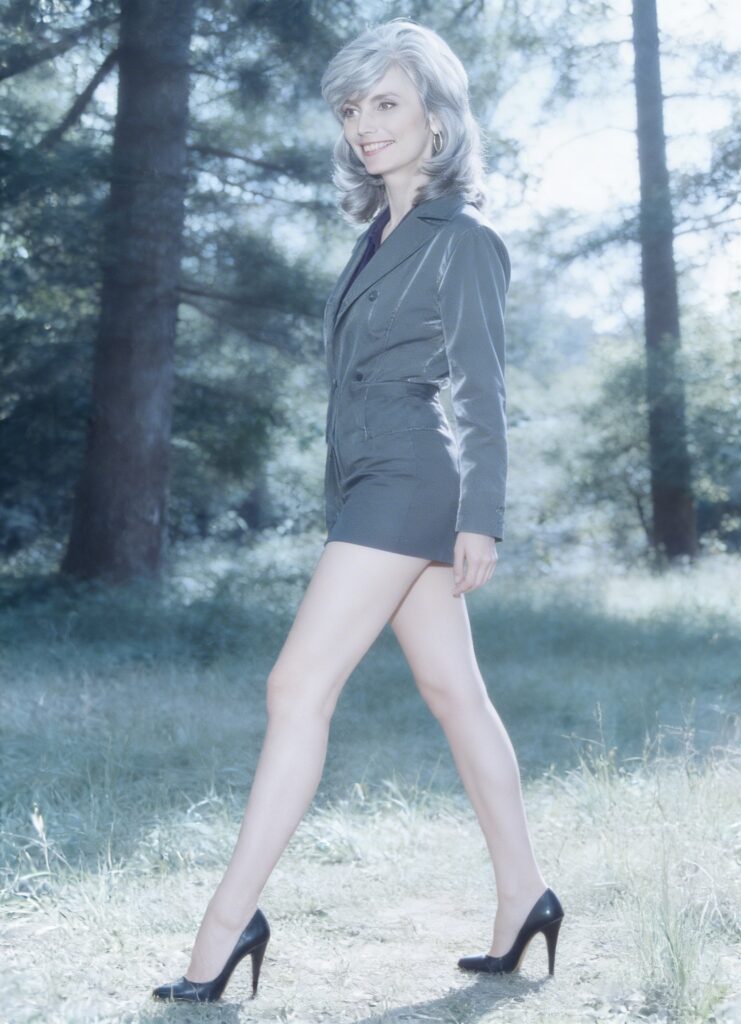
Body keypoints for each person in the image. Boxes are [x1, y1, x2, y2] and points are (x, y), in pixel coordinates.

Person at [152, 17, 563, 1005]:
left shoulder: (463, 240)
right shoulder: (378, 233)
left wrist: (482, 516)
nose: (364, 124)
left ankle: (227, 926)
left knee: (296, 687)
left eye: (386, 102)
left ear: (437, 116)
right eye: (350, 108)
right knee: (456, 694)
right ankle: (526, 899)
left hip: (410, 481)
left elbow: (483, 390)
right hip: (372, 479)